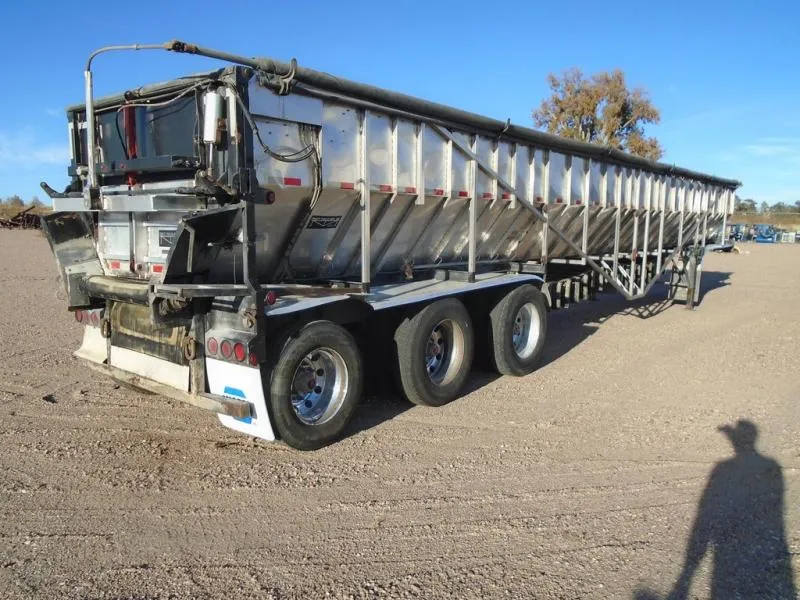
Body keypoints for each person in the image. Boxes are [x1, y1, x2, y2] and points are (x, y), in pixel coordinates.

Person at [667, 420, 795, 599]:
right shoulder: (771, 466)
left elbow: (705, 511)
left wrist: (688, 572)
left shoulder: (725, 468)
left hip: (731, 555)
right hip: (765, 545)